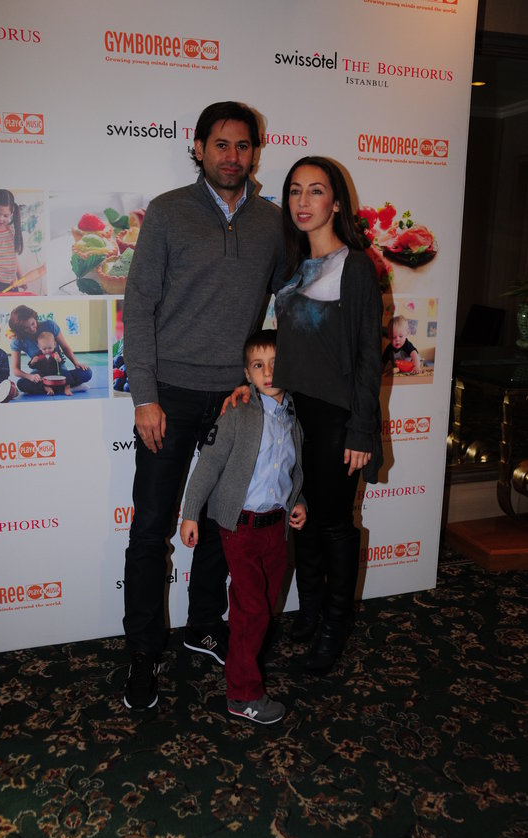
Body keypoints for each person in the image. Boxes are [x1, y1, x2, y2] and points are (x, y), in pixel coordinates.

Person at [121, 101, 284, 711]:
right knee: (151, 528)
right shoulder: (167, 212)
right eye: (221, 144)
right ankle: (143, 651)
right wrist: (145, 396)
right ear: (198, 148)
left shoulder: (272, 223)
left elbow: (291, 300)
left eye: (243, 146)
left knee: (226, 520)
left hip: (237, 398)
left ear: (255, 152)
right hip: (169, 394)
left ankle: (204, 626)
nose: (232, 157)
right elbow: (139, 306)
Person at [228, 156, 383, 675]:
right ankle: (311, 611)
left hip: (338, 419)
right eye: (295, 190)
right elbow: (275, 345)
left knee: (335, 525)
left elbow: (369, 356)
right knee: (305, 516)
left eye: (316, 191)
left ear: (336, 203)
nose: (302, 201)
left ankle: (335, 628)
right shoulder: (292, 268)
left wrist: (361, 429)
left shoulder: (355, 266)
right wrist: (251, 383)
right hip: (294, 415)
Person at [180, 330, 306, 724]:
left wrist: (298, 501)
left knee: (261, 609)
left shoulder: (292, 417)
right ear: (247, 374)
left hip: (276, 528)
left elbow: (291, 470)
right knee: (251, 611)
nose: (268, 372)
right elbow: (209, 464)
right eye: (258, 365)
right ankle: (243, 694)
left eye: (275, 364)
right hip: (241, 527)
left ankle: (242, 661)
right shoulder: (238, 412)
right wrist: (190, 512)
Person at [8, 305, 92, 395]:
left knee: (86, 373)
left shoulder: (49, 325)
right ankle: (69, 387)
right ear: (20, 329)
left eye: (33, 323)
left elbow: (65, 347)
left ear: (35, 318)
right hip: (40, 374)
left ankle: (52, 388)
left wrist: (76, 363)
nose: (32, 329)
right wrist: (30, 376)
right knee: (21, 384)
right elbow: (16, 370)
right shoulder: (17, 340)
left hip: (59, 370)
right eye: (26, 328)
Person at [28, 330, 73, 396]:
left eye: (50, 348)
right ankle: (47, 388)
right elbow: (32, 366)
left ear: (54, 344)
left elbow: (61, 362)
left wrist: (59, 359)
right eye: (44, 349)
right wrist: (32, 362)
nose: (47, 351)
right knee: (36, 376)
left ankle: (67, 388)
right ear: (39, 347)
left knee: (66, 373)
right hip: (43, 373)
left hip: (56, 372)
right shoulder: (37, 355)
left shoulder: (56, 353)